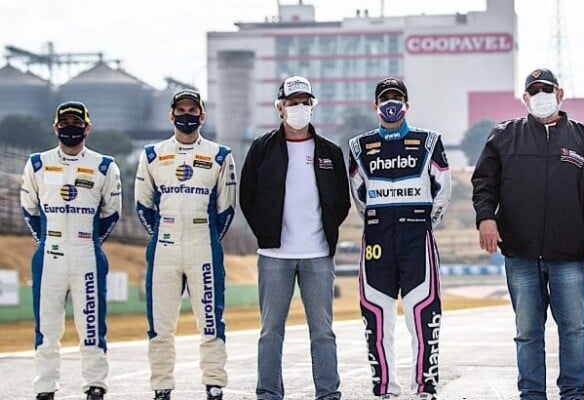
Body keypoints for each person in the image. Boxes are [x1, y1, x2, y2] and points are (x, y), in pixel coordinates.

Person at [471, 68, 584, 400]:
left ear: (560, 94)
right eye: (534, 91)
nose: (541, 96)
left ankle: (573, 392)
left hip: (569, 254)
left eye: (546, 90)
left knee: (576, 330)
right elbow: (483, 184)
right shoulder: (504, 136)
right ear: (524, 98)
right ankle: (532, 394)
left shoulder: (583, 137)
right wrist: (486, 218)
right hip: (520, 253)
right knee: (528, 332)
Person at [239, 76, 350, 400]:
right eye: (292, 103)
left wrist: (326, 232)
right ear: (280, 108)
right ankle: (269, 392)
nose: (299, 108)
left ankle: (328, 392)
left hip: (317, 255)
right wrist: (267, 234)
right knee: (271, 331)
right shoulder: (262, 148)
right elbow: (248, 196)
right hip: (275, 256)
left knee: (323, 332)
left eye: (305, 103)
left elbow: (340, 201)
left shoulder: (328, 150)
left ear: (312, 106)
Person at [346, 76, 451, 400]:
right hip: (377, 239)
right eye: (385, 98)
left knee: (423, 314)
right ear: (375, 105)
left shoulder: (429, 141)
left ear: (406, 103)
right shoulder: (358, 147)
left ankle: (425, 387)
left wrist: (423, 224)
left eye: (397, 97)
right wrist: (378, 222)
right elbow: (358, 197)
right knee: (376, 316)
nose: (391, 103)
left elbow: (443, 189)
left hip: (416, 237)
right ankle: (383, 388)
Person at [135, 89, 237, 400]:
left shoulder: (220, 155)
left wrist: (204, 237)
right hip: (164, 246)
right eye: (181, 109)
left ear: (203, 116)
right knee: (160, 323)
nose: (187, 115)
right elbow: (143, 204)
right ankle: (161, 385)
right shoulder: (152, 154)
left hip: (203, 246)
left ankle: (214, 382)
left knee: (209, 319)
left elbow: (227, 209)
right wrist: (163, 234)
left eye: (193, 110)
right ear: (171, 114)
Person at [21, 101, 120, 400]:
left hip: (87, 253)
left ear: (87, 128)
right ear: (55, 127)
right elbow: (29, 209)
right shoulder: (37, 163)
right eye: (65, 124)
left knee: (90, 324)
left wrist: (87, 241)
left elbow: (112, 213)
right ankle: (45, 387)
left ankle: (95, 385)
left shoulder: (105, 165)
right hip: (48, 254)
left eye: (77, 124)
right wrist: (48, 241)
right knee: (47, 327)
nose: (70, 129)